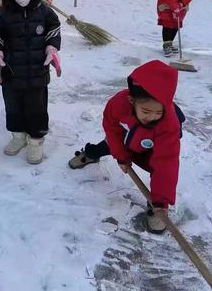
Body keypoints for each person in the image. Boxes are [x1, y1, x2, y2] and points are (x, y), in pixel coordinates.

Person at [68, 60, 185, 234]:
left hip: (153, 146)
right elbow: (112, 130)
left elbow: (166, 162)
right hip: (128, 136)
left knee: (158, 168)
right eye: (146, 111)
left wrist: (161, 200)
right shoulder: (118, 104)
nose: (152, 117)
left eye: (158, 112)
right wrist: (121, 156)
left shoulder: (168, 123)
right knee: (111, 144)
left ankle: (156, 204)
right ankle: (92, 153)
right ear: (132, 101)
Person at [0, 0, 61, 164]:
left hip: (38, 71)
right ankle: (18, 137)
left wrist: (51, 47)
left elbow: (54, 28)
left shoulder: (44, 11)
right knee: (13, 107)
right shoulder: (3, 13)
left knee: (36, 109)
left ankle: (36, 141)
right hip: (11, 73)